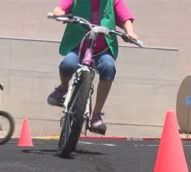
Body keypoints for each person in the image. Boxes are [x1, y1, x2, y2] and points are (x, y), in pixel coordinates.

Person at [47, 0, 138, 135]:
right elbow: (62, 6)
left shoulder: (113, 1)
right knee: (68, 64)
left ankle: (96, 114)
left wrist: (130, 32)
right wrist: (58, 12)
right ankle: (63, 87)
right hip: (79, 46)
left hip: (102, 49)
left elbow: (125, 17)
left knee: (108, 67)